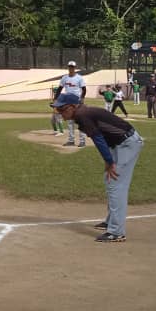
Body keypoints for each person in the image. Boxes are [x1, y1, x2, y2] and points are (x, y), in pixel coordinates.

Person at [50, 92, 143, 243]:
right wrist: (108, 160)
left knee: (116, 185)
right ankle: (111, 221)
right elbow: (103, 135)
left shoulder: (82, 114)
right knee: (110, 181)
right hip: (120, 144)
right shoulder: (82, 113)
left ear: (73, 107)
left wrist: (109, 160)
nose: (59, 113)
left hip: (127, 144)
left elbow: (98, 139)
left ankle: (116, 231)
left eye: (62, 109)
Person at [54, 61, 87, 147]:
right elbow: (59, 89)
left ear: (75, 68)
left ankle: (82, 141)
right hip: (68, 101)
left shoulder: (79, 78)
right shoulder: (64, 78)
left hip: (77, 101)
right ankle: (71, 140)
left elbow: (84, 89)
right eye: (70, 67)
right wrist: (55, 99)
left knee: (80, 121)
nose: (71, 68)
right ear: (68, 67)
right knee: (70, 121)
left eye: (72, 67)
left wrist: (82, 98)